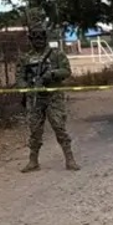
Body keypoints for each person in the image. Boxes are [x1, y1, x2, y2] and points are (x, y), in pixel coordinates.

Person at [18, 20, 79, 172]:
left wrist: (51, 74)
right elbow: (19, 77)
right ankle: (33, 162)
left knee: (59, 127)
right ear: (30, 39)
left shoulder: (56, 54)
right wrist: (26, 88)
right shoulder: (25, 58)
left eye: (41, 38)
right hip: (35, 99)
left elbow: (66, 71)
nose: (38, 41)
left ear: (45, 38)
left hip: (53, 98)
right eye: (35, 38)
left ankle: (70, 160)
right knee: (34, 131)